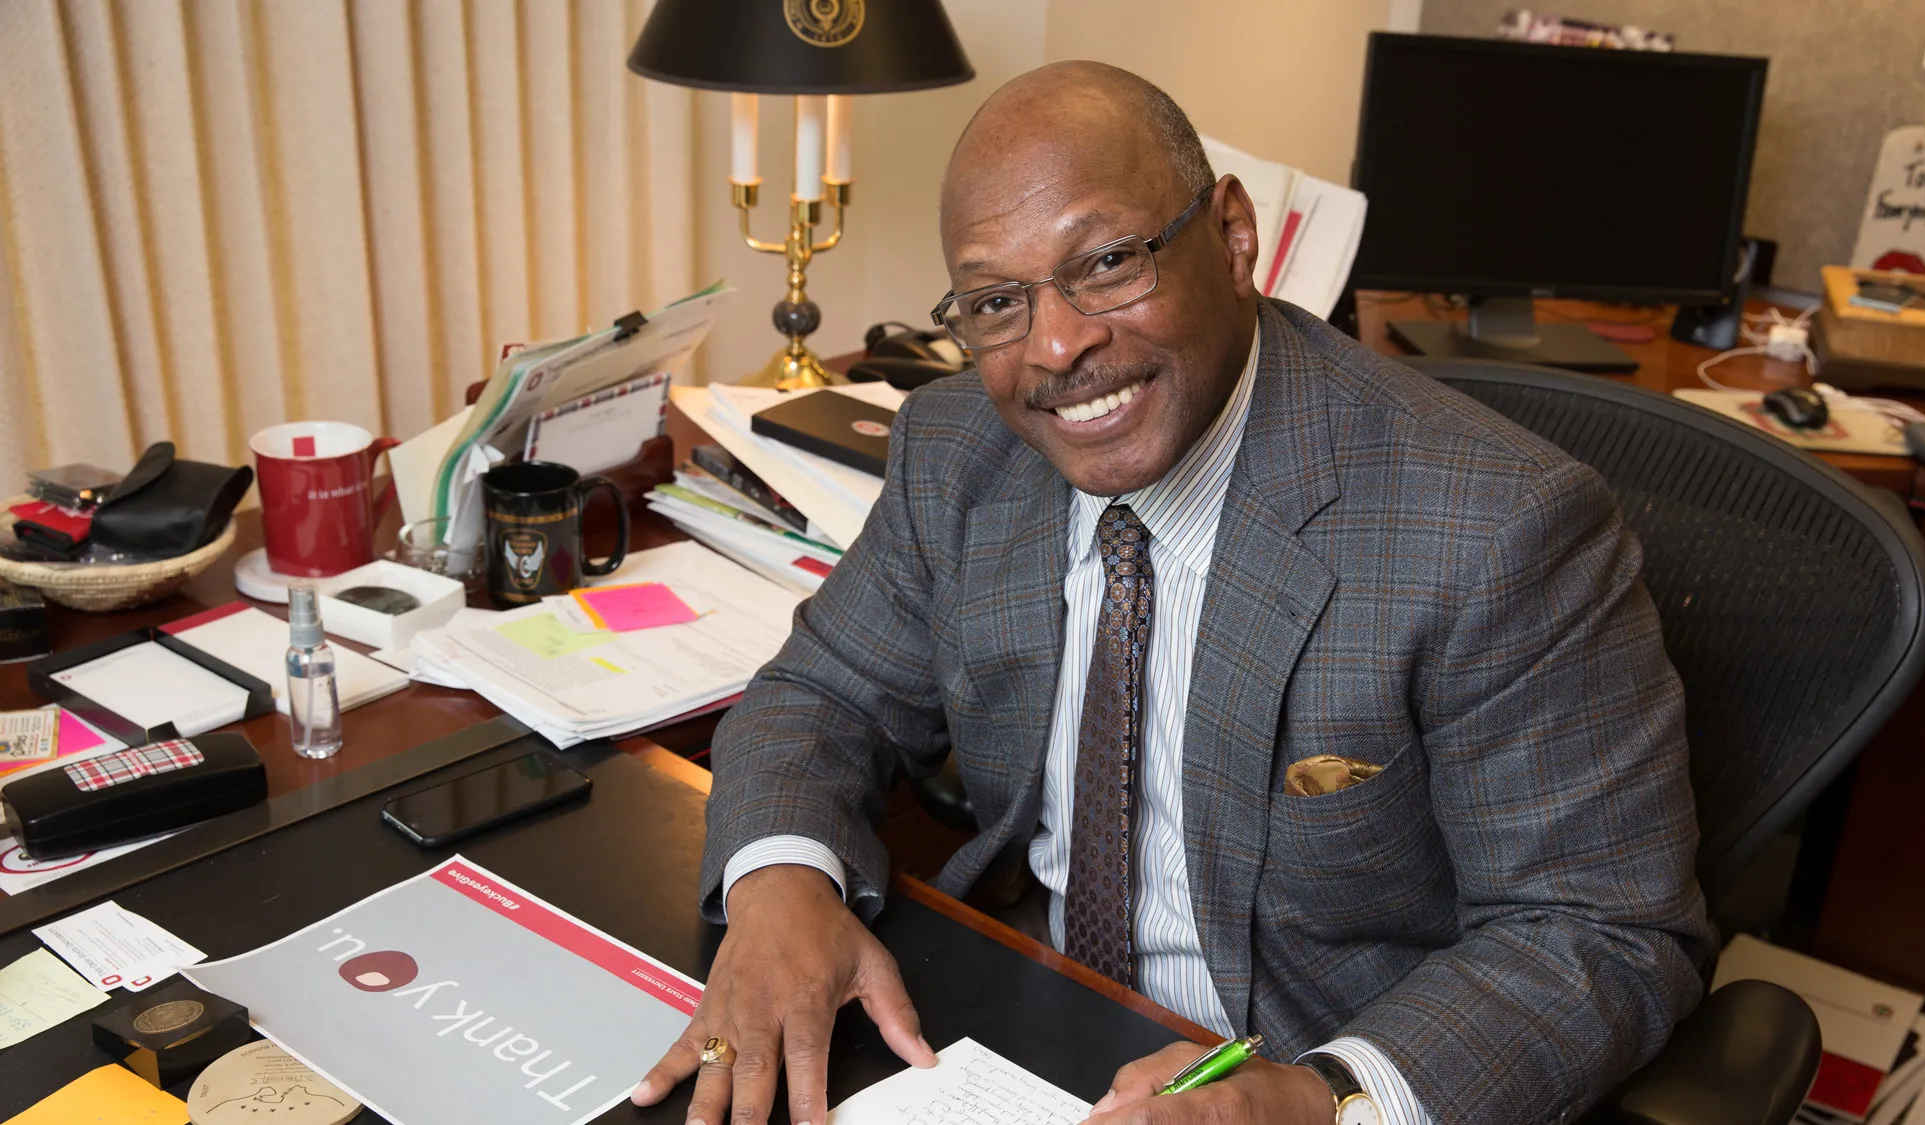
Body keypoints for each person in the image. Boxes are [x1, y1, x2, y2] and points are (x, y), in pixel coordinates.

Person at [632, 61, 1711, 1125]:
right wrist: (778, 888)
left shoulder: (1499, 527)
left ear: (1233, 238)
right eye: (996, 302)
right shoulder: (956, 446)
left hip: (1313, 1062)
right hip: (1019, 1030)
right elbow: (824, 694)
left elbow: (1599, 933)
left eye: (1106, 263)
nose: (1057, 346)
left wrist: (1322, 1099)